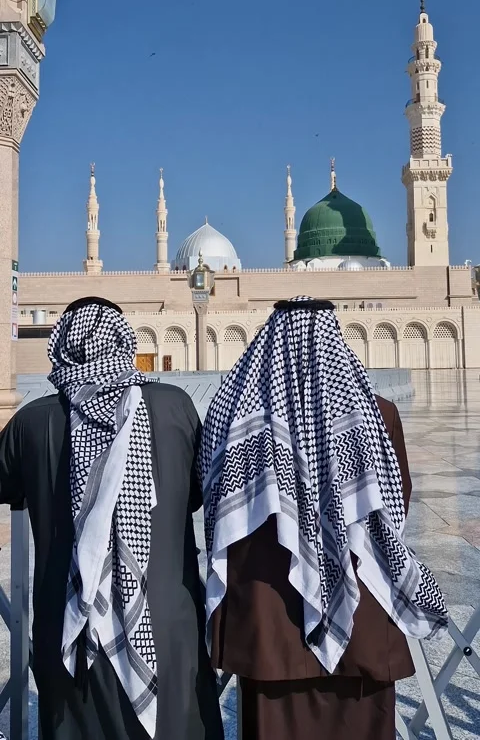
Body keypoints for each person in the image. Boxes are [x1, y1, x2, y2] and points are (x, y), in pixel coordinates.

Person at [198, 297, 448, 740]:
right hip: (360, 616)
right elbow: (396, 504)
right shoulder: (375, 415)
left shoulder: (230, 418)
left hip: (270, 623)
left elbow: (215, 509)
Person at [0, 297, 224, 740]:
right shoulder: (176, 406)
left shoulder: (33, 421)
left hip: (70, 631)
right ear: (124, 341)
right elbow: (198, 494)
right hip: (167, 631)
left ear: (62, 345)